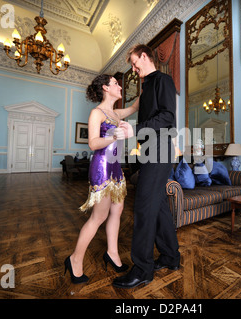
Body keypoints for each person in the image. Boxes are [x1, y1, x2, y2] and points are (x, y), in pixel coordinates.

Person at [113, 44, 180, 289]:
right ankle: (171, 256)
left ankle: (142, 269)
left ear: (144, 56)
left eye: (134, 62)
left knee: (142, 208)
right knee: (158, 205)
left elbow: (168, 117)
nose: (133, 68)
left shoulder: (163, 80)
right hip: (150, 151)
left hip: (160, 150)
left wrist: (136, 130)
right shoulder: (147, 87)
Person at [64, 74, 138, 284]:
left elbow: (133, 108)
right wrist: (115, 136)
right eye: (116, 83)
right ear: (106, 88)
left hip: (116, 168)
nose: (120, 86)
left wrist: (148, 82)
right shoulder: (97, 113)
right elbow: (93, 143)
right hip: (102, 168)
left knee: (117, 211)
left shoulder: (115, 113)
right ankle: (75, 260)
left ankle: (112, 254)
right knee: (98, 217)